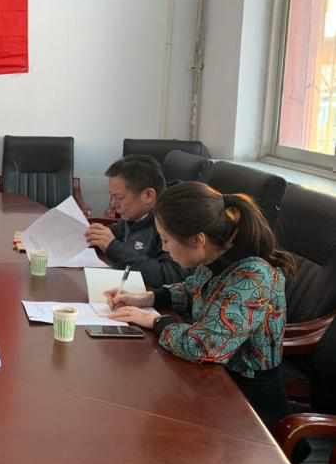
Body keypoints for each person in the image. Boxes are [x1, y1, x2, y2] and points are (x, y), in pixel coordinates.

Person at [106, 181, 295, 430]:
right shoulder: (219, 256)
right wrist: (147, 298)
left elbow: (203, 346)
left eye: (166, 240)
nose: (163, 248)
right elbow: (193, 290)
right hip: (213, 381)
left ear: (198, 240)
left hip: (248, 405)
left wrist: (156, 321)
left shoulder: (251, 277)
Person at [84, 154, 186, 286]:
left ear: (148, 196)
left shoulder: (174, 222)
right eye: (112, 196)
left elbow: (170, 276)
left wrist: (113, 247)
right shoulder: (136, 214)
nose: (113, 204)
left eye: (119, 197)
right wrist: (92, 235)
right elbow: (118, 231)